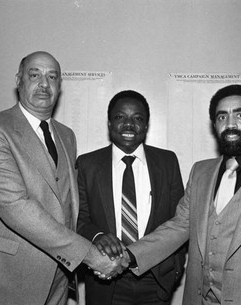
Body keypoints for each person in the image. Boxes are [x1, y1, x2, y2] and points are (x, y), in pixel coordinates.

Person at [127, 84, 241, 305]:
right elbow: (180, 226)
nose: (231, 124)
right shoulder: (200, 172)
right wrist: (129, 256)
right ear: (214, 125)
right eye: (222, 117)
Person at [0, 51, 126, 305]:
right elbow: (16, 207)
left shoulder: (66, 136)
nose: (44, 83)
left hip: (59, 279)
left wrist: (99, 243)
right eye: (35, 75)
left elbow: (68, 204)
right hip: (7, 277)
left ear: (59, 86)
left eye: (52, 76)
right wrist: (91, 256)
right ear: (18, 80)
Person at [76, 90, 187, 305]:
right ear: (109, 123)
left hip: (155, 278)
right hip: (105, 278)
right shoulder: (88, 164)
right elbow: (79, 218)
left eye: (137, 118)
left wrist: (175, 268)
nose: (129, 125)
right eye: (120, 117)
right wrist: (97, 235)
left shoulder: (167, 162)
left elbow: (181, 220)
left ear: (146, 125)